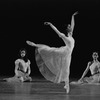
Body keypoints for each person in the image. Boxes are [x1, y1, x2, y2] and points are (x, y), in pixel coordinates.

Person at [26, 12, 78, 93]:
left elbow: (73, 25)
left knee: (66, 69)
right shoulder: (63, 36)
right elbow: (56, 30)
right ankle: (35, 45)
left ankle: (66, 85)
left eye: (69, 26)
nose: (70, 27)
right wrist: (50, 24)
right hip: (64, 52)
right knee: (49, 50)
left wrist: (72, 16)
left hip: (68, 54)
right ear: (66, 29)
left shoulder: (71, 34)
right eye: (68, 26)